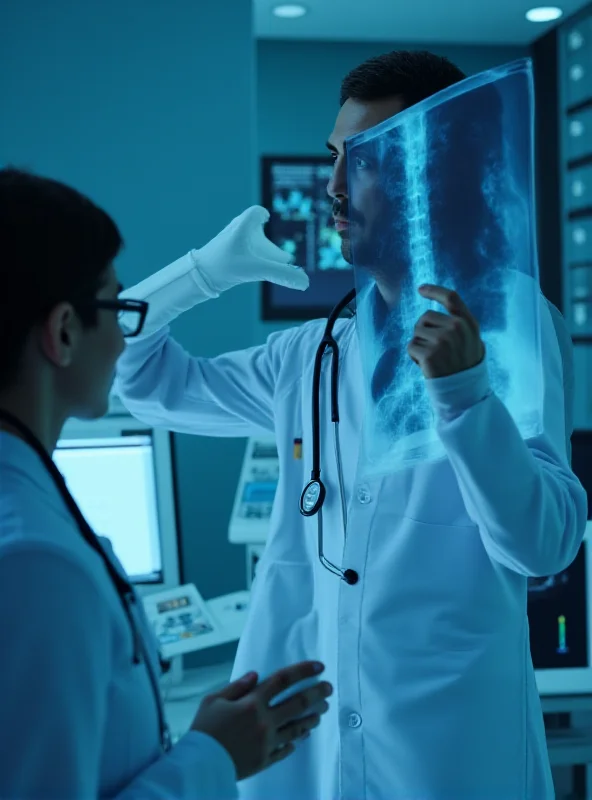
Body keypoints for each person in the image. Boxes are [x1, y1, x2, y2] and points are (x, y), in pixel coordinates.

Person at [115, 51, 587, 799]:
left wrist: (467, 399)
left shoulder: (511, 328)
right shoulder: (311, 354)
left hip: (448, 758)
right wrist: (203, 272)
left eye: (360, 163)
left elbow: (545, 543)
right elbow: (134, 377)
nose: (333, 189)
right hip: (308, 756)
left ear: (431, 169)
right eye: (333, 159)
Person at [0, 167, 334, 799]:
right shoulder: (34, 561)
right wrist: (211, 757)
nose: (125, 333)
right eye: (116, 306)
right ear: (64, 331)